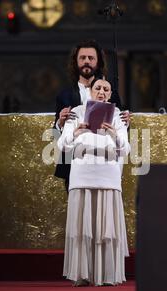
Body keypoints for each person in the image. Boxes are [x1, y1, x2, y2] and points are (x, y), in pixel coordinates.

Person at [57, 78, 130, 286]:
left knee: (106, 228)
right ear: (90, 91)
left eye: (106, 89)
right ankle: (82, 274)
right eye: (97, 88)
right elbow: (63, 145)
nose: (101, 92)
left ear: (110, 94)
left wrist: (114, 134)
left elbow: (125, 149)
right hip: (82, 175)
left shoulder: (116, 115)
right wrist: (77, 132)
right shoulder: (77, 113)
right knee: (82, 227)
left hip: (108, 175)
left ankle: (107, 275)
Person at [54, 39, 130, 191]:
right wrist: (60, 124)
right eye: (82, 58)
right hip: (74, 165)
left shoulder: (111, 93)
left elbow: (120, 131)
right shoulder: (65, 95)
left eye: (91, 58)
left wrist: (125, 122)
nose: (86, 62)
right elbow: (56, 134)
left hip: (106, 164)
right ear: (75, 62)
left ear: (98, 62)